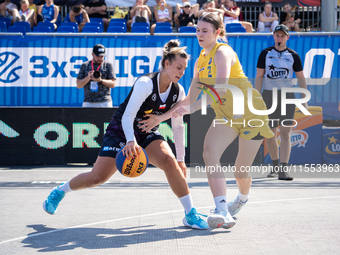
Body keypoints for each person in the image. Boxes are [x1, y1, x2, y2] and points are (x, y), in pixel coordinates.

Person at [43, 40, 209, 230]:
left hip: (146, 130)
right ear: (166, 64)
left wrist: (181, 159)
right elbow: (128, 116)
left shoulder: (177, 91)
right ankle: (60, 191)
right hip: (121, 129)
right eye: (179, 67)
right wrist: (130, 140)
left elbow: (178, 126)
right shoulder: (146, 83)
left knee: (170, 163)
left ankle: (190, 214)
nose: (182, 72)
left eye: (184, 69)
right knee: (97, 177)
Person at [138, 13, 274, 229]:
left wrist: (192, 107)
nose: (199, 34)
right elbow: (190, 99)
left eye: (204, 31)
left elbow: (220, 90)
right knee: (209, 153)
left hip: (251, 113)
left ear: (217, 32)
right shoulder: (200, 60)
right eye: (197, 30)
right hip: (226, 116)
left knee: (240, 171)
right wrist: (161, 118)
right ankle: (221, 210)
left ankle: (241, 198)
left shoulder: (223, 53)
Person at [255, 24, 308, 181]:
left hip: (287, 96)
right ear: (273, 37)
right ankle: (275, 165)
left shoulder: (294, 55)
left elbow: (301, 78)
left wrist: (304, 99)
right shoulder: (265, 54)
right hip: (269, 96)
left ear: (287, 37)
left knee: (285, 132)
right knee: (270, 133)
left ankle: (283, 170)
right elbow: (259, 77)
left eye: (282, 36)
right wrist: (257, 97)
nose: (279, 38)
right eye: (277, 35)